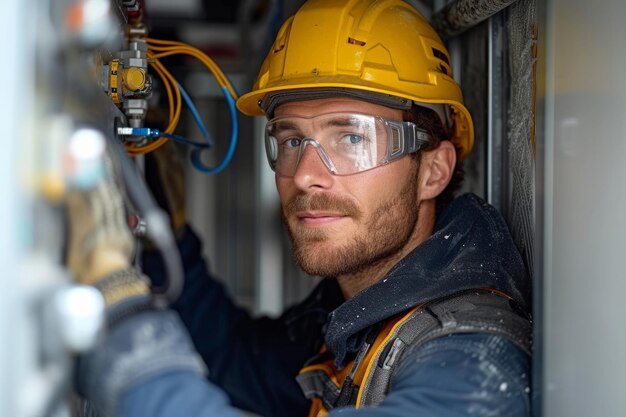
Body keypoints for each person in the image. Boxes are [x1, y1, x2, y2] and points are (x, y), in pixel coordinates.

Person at [68, 1, 532, 416]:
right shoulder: (370, 313)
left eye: (351, 137)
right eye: (291, 139)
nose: (306, 173)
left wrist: (125, 319)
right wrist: (163, 235)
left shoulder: (468, 366)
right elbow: (232, 359)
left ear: (433, 171)